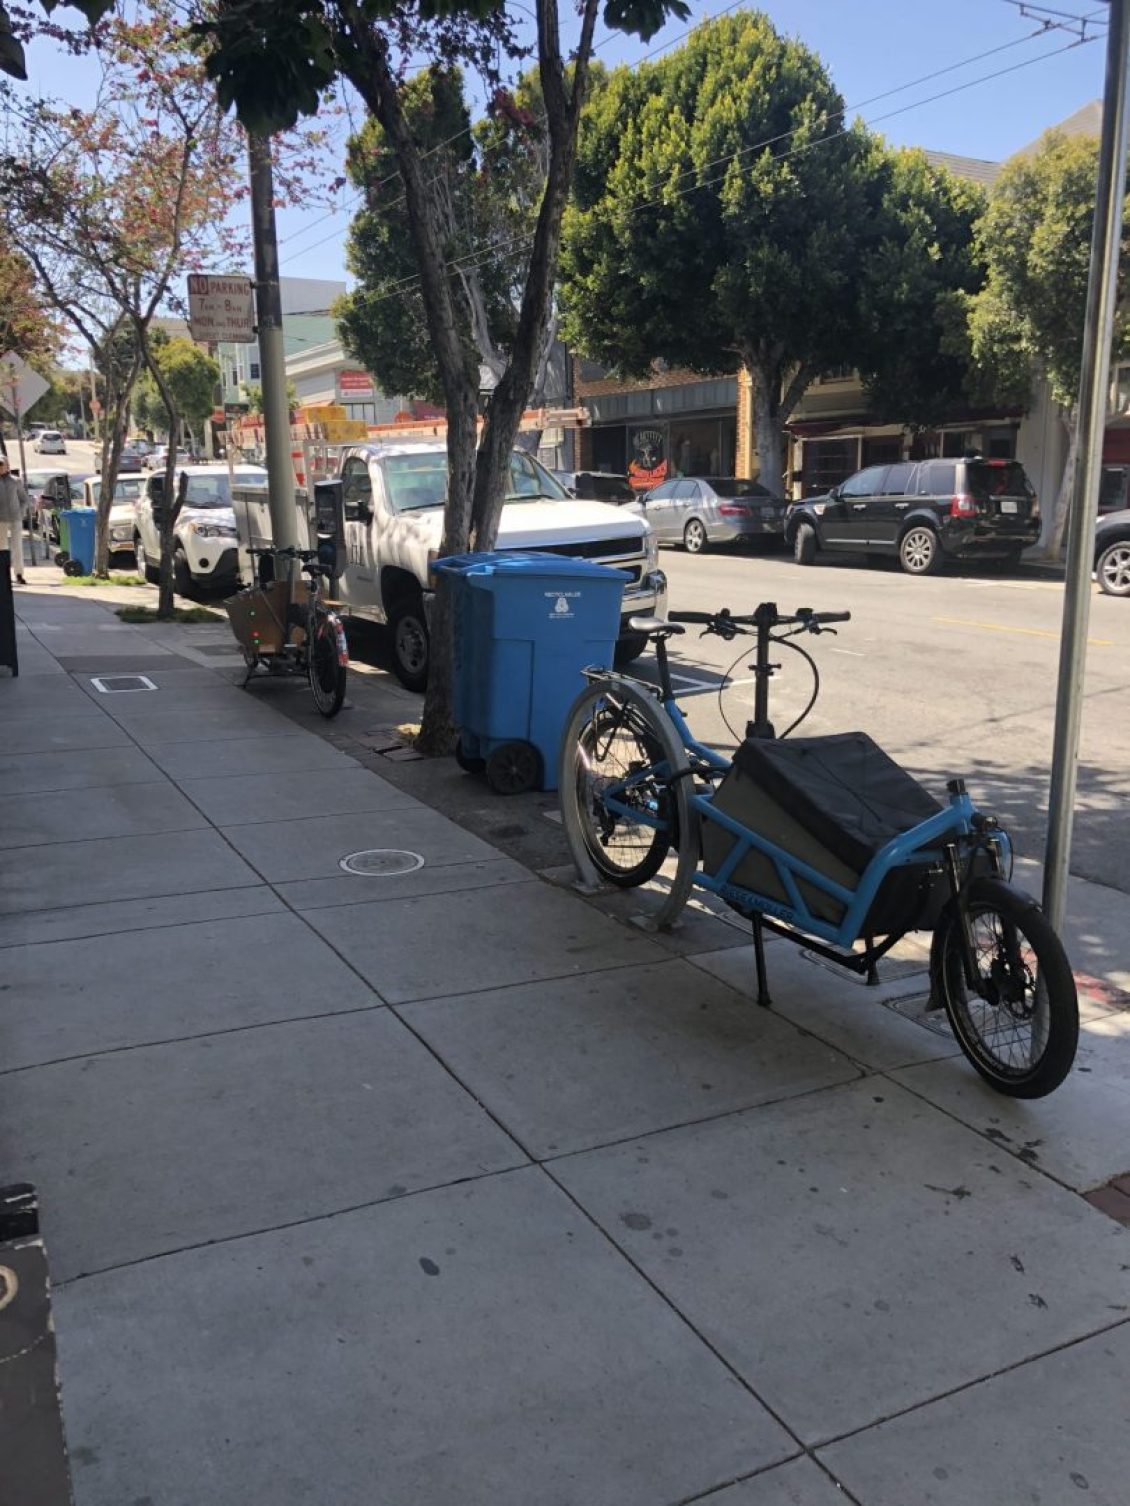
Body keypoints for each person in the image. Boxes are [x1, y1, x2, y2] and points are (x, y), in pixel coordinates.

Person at [0, 454, 30, 585]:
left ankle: (19, 574)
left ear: (7, 466)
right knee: (2, 547)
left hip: (15, 519)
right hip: (1, 520)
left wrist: (21, 512)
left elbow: (24, 499)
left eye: (2, 464)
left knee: (17, 547)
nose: (1, 467)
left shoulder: (16, 481)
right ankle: (3, 574)